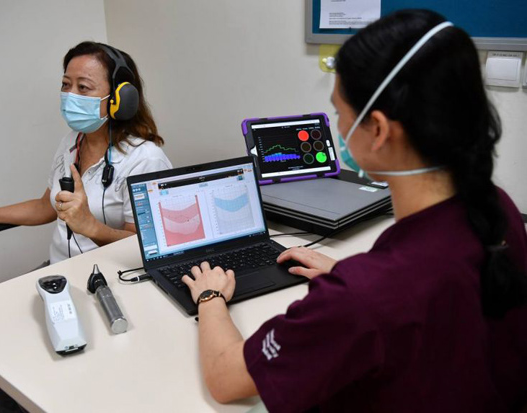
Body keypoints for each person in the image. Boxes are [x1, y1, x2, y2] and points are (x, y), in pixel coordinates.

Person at [181, 9, 527, 412]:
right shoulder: (495, 207)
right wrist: (348, 277)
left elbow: (226, 378)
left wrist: (208, 297)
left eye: (340, 112)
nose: (337, 127)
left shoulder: (365, 298)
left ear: (378, 129)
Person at [0, 41, 172, 264]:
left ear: (119, 98)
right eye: (66, 85)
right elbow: (45, 207)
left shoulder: (145, 159)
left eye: (83, 87)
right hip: (59, 269)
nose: (70, 95)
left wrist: (91, 227)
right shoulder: (72, 142)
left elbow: (144, 246)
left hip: (112, 277)